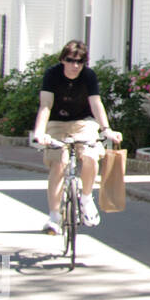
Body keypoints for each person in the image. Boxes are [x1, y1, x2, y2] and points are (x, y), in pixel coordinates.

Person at [31, 41, 122, 235]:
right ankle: (54, 217)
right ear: (63, 59)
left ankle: (87, 198)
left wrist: (106, 129)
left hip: (83, 122)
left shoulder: (88, 76)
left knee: (90, 156)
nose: (75, 66)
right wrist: (39, 132)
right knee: (59, 163)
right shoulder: (52, 75)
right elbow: (46, 105)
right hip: (57, 123)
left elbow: (96, 103)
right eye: (71, 60)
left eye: (79, 62)